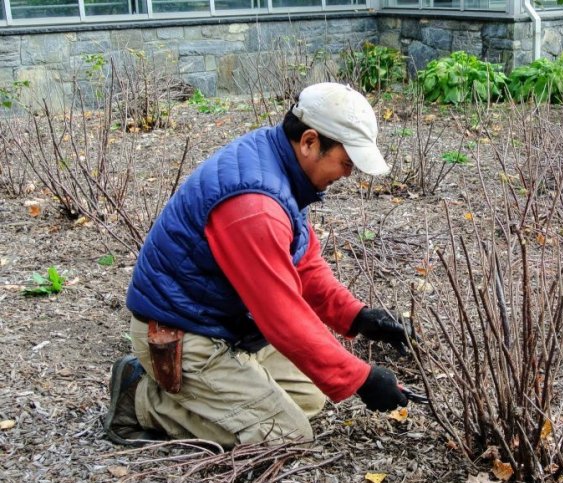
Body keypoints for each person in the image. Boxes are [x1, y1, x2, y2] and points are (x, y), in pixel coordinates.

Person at [102, 82, 413, 448]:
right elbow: (282, 317)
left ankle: (230, 390)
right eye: (347, 162)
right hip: (184, 335)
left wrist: (356, 317)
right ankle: (142, 400)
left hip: (219, 324)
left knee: (312, 396)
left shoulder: (279, 165)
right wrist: (361, 380)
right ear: (310, 142)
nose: (348, 174)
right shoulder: (255, 204)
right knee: (285, 435)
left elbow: (303, 263)